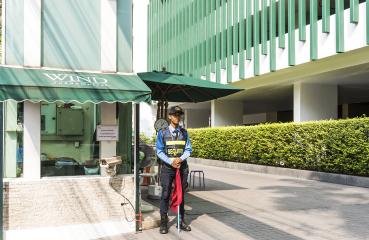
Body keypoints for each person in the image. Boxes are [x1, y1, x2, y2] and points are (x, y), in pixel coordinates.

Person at [156, 105, 192, 234]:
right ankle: (164, 222)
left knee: (181, 194)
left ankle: (180, 221)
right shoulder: (162, 132)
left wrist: (180, 159)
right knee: (165, 194)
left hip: (181, 168)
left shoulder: (184, 132)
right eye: (175, 115)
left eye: (179, 115)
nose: (178, 117)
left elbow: (188, 149)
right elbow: (159, 151)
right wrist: (171, 161)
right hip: (167, 168)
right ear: (170, 116)